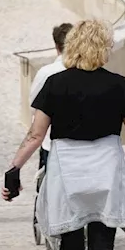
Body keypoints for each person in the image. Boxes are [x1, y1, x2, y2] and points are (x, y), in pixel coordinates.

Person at [5, 19, 125, 250]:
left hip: (67, 172)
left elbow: (35, 134)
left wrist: (14, 168)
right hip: (106, 172)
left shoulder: (55, 84)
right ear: (103, 47)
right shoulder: (118, 84)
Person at [28, 23, 74, 168]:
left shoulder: (46, 73)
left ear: (56, 46)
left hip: (51, 142)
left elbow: (34, 105)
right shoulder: (87, 71)